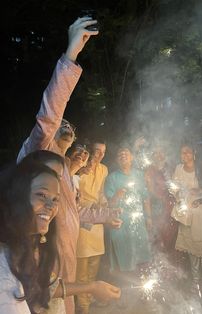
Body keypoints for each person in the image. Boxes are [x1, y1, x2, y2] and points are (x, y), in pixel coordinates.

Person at [17, 17, 120, 314]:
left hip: (67, 260)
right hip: (43, 262)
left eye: (70, 126)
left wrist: (108, 215)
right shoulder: (37, 157)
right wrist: (70, 57)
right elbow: (48, 115)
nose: (65, 126)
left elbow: (75, 212)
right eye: (61, 124)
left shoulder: (64, 171)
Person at [0, 160, 60, 314]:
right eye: (41, 195)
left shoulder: (26, 247)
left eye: (55, 199)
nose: (51, 206)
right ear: (15, 196)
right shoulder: (3, 262)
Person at [171, 142, 202, 305]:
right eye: (182, 153)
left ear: (194, 153)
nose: (185, 156)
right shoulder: (178, 169)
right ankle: (196, 288)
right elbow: (173, 187)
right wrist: (178, 194)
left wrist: (200, 193)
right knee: (192, 254)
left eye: (188, 152)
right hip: (187, 218)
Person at [104, 145, 152, 299]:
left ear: (132, 158)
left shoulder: (139, 175)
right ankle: (123, 295)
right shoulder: (112, 178)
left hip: (138, 224)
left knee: (141, 259)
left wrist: (149, 218)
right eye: (120, 154)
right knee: (123, 261)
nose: (123, 156)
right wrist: (117, 195)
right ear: (117, 160)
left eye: (126, 153)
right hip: (120, 225)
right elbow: (109, 205)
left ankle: (144, 293)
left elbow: (146, 199)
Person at [75, 140, 109, 314]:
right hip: (81, 218)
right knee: (81, 267)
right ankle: (83, 307)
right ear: (91, 151)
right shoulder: (80, 167)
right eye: (97, 151)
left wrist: (106, 206)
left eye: (103, 152)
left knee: (94, 264)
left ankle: (88, 296)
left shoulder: (104, 169)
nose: (100, 155)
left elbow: (101, 193)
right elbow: (74, 194)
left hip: (97, 221)